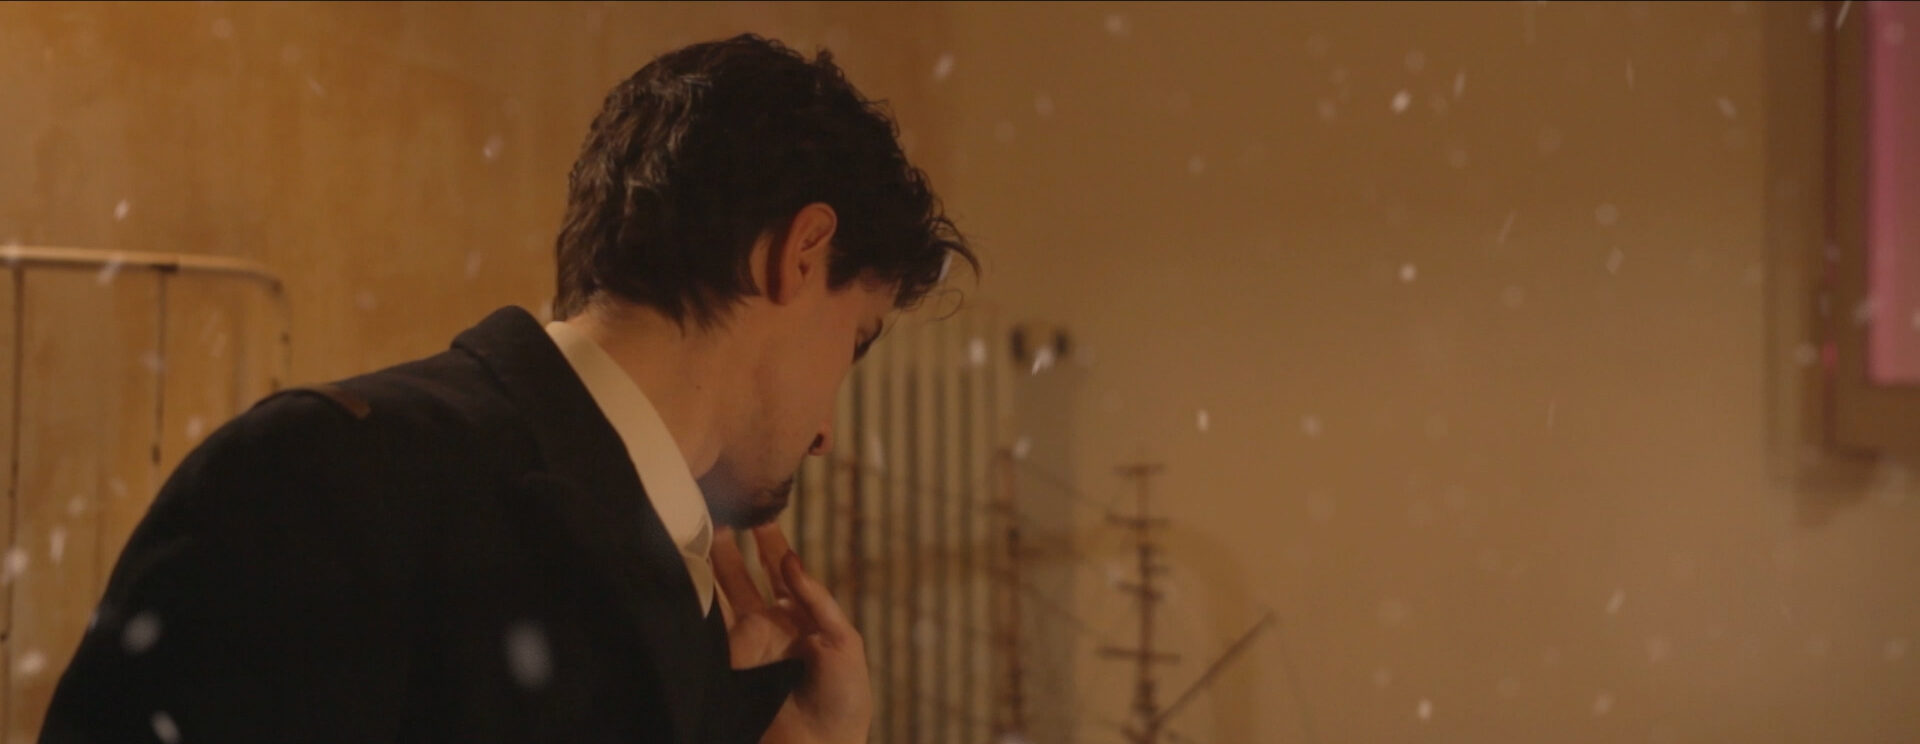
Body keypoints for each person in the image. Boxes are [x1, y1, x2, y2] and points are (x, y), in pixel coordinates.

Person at [38, 33, 974, 744]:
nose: (828, 433)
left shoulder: (681, 592)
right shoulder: (321, 479)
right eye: (854, 341)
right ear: (800, 254)